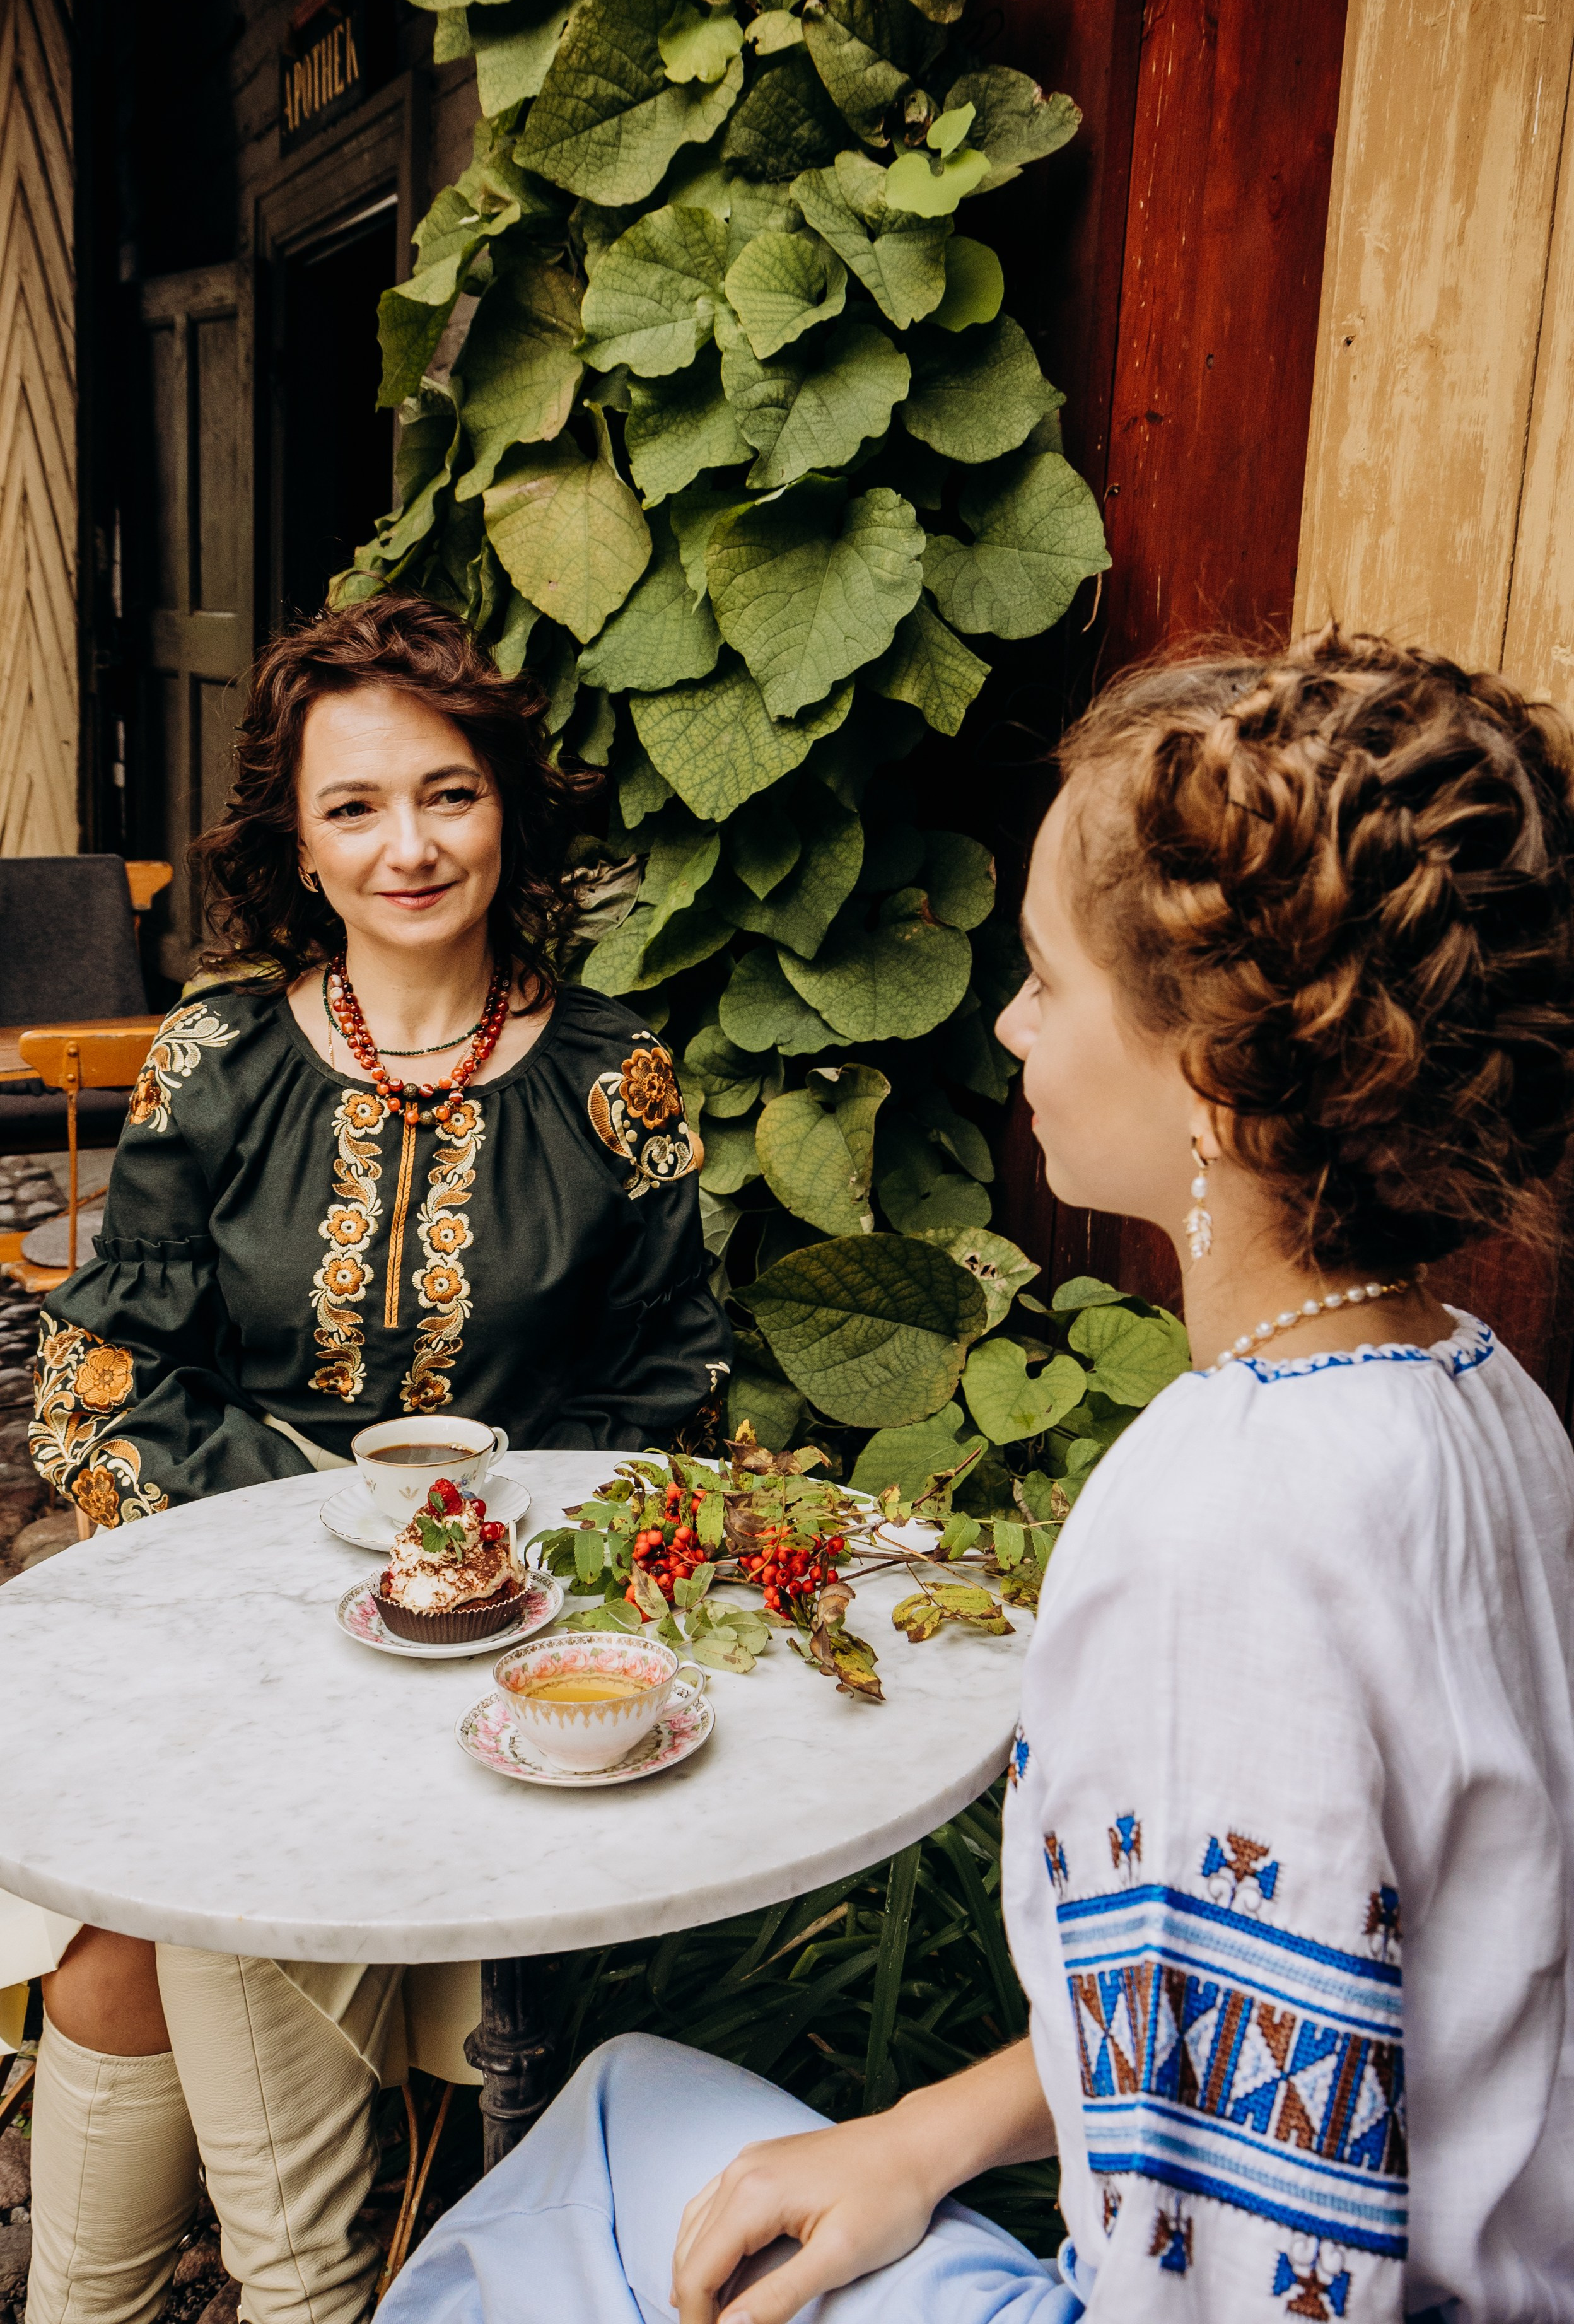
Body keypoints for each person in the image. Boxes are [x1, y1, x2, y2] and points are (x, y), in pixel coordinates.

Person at [377, 626, 1574, 2324]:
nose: (1011, 1027)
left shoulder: (1218, 1524)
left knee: (561, 2211)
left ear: (1215, 1075)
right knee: (630, 2106)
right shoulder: (1483, 1391)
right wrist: (924, 2136)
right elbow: (1289, 2015)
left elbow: (1252, 2253)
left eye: (1044, 975)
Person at [16, 595, 732, 2324]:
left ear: (508, 808)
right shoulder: (219, 1056)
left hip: (500, 1636)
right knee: (130, 1923)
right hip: (222, 1604)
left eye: (448, 793)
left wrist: (479, 1572)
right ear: (302, 848)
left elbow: (674, 1398)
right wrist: (294, 1559)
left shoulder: (616, 1079)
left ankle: (288, 2299)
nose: (407, 845)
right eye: (354, 808)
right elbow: (104, 1371)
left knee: (157, 1913)